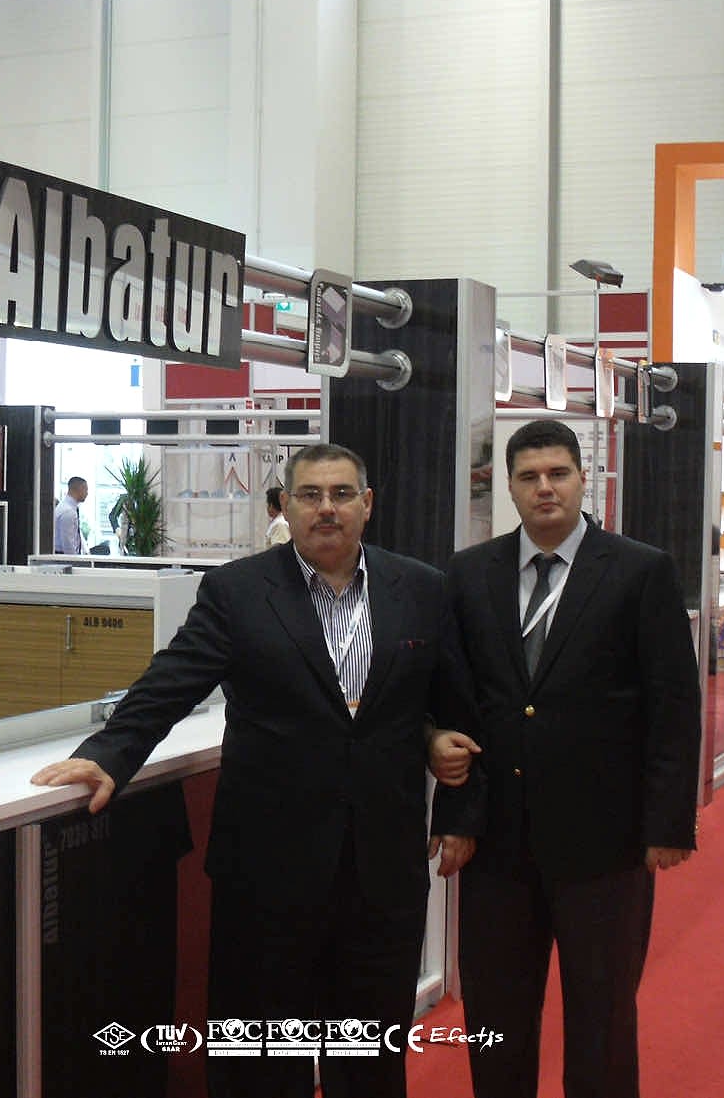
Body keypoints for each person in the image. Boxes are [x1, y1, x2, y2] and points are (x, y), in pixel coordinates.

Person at [31, 442, 479, 1098]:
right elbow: (172, 680)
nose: (326, 509)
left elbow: (455, 707)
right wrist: (108, 753)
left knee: (371, 1058)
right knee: (260, 1058)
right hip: (267, 870)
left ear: (367, 504)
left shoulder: (421, 589)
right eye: (310, 495)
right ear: (285, 506)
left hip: (381, 870)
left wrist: (460, 812)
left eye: (341, 494)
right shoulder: (238, 591)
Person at [431, 419, 700, 1098]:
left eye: (557, 474)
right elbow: (454, 701)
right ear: (508, 487)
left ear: (584, 478)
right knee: (495, 1017)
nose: (544, 488)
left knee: (602, 1017)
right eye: (529, 477)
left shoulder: (640, 570)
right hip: (497, 844)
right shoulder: (469, 574)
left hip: (605, 843)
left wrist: (667, 821)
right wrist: (456, 812)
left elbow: (673, 703)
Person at [53, 476, 88, 554]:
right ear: (79, 489)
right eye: (85, 489)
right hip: (64, 557)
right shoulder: (68, 512)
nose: (87, 493)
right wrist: (75, 560)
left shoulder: (65, 507)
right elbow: (68, 544)